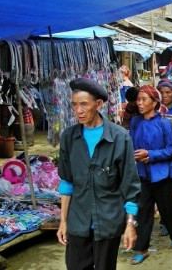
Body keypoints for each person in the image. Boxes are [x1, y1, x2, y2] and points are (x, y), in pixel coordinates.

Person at [57, 77, 141, 270]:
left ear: (99, 104)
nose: (78, 110)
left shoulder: (119, 138)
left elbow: (130, 187)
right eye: (74, 105)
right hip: (78, 222)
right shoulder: (69, 137)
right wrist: (63, 221)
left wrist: (130, 225)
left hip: (108, 223)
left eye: (84, 104)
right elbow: (67, 183)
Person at [129, 85, 172, 264]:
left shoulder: (164, 123)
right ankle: (141, 248)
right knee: (143, 212)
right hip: (142, 174)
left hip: (163, 174)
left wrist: (150, 155)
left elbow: (171, 150)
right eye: (138, 99)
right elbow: (131, 144)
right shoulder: (135, 122)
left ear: (155, 103)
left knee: (169, 209)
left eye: (144, 99)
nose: (140, 103)